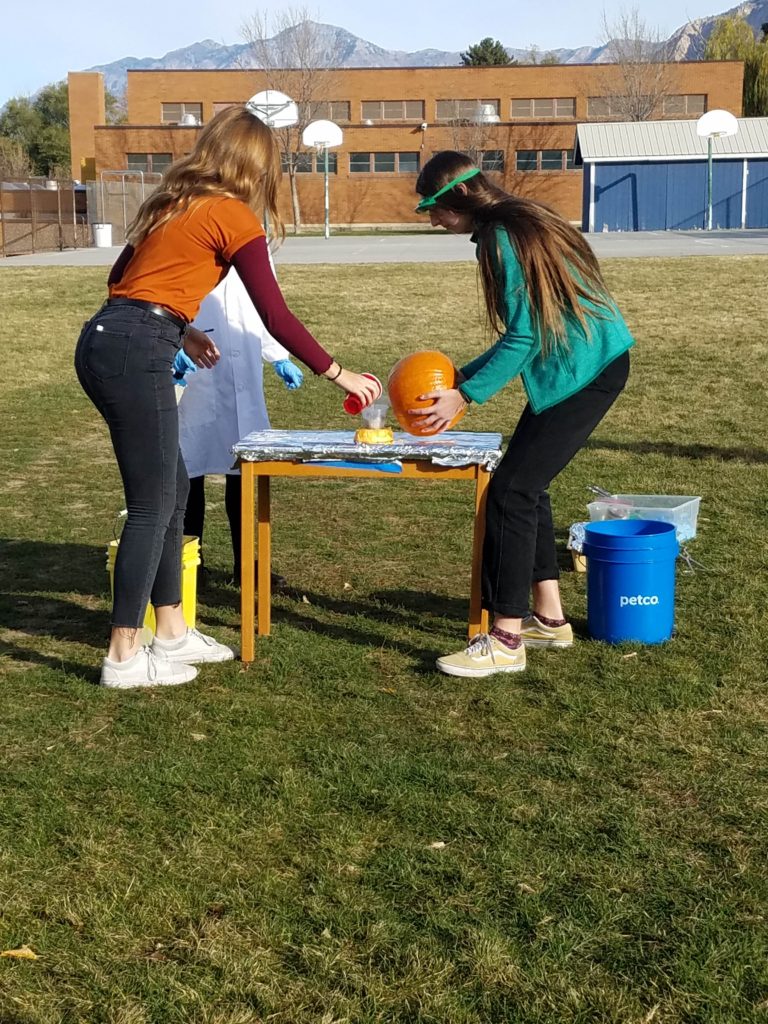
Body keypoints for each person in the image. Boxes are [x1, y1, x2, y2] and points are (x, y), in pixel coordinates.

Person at [74, 104, 379, 689]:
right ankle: (122, 655)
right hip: (134, 348)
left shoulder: (172, 203)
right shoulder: (232, 214)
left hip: (107, 336)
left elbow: (120, 283)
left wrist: (179, 325)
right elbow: (275, 313)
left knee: (168, 488)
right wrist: (337, 373)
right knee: (150, 505)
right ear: (256, 167)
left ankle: (172, 633)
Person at [412, 151, 634, 678]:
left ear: (460, 197)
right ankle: (549, 620)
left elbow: (524, 335)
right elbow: (528, 329)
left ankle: (506, 637)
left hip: (586, 372)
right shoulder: (517, 220)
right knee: (526, 485)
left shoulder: (501, 237)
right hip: (588, 364)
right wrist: (461, 376)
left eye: (434, 209)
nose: (432, 219)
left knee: (510, 494)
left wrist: (464, 397)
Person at [179, 266, 299, 589]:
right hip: (197, 371)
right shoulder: (191, 235)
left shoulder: (251, 242)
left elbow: (266, 304)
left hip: (242, 369)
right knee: (190, 470)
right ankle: (190, 565)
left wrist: (278, 355)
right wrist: (175, 346)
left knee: (242, 471)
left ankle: (245, 565)